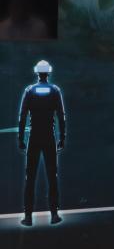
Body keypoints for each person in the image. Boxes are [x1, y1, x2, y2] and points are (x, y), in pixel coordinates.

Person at [18, 60, 66, 226]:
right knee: (52, 176)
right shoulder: (55, 91)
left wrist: (20, 139)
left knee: (30, 177)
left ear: (37, 73)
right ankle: (54, 215)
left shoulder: (29, 90)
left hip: (34, 137)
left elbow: (23, 116)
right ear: (48, 73)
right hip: (49, 137)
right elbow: (61, 115)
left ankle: (28, 217)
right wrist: (62, 137)